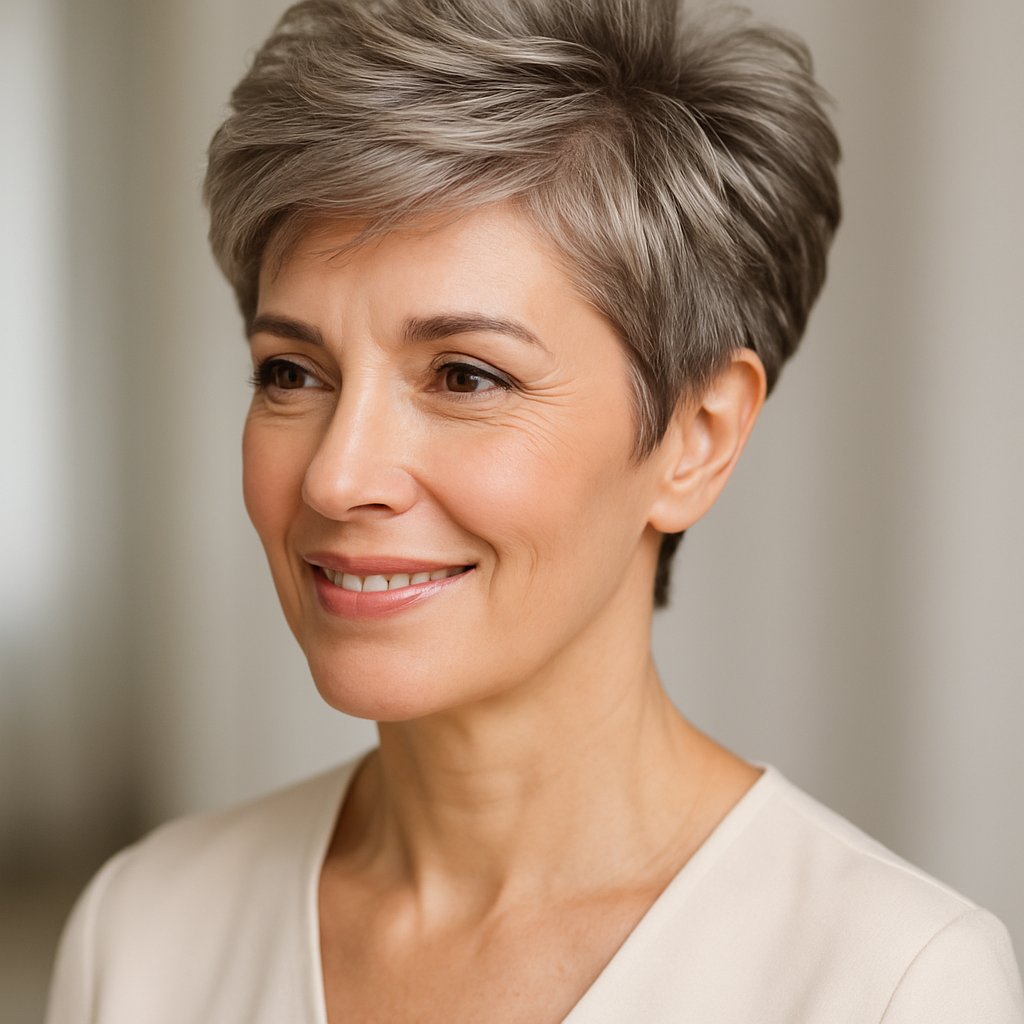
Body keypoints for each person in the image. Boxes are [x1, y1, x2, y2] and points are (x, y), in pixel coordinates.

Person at [46, 0, 1024, 1021]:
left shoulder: (893, 983)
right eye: (291, 371)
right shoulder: (145, 932)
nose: (337, 477)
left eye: (465, 377)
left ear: (697, 435)